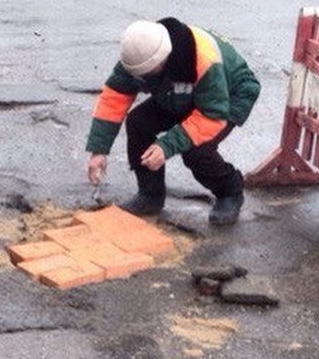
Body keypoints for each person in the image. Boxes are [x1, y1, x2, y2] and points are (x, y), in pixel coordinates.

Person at [85, 18, 261, 225]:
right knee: (138, 122)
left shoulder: (203, 60)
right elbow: (114, 98)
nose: (141, 78)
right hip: (180, 92)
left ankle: (229, 191)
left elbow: (212, 114)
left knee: (197, 150)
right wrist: (99, 150)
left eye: (147, 74)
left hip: (228, 95)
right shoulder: (138, 55)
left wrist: (166, 146)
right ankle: (150, 195)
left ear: (162, 60)